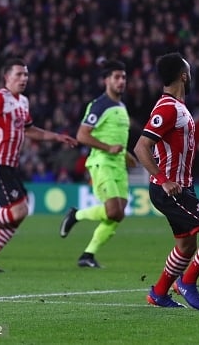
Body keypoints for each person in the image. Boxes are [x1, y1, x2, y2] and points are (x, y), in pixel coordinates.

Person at [0, 58, 77, 272]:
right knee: (17, 211)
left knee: (18, 214)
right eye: (19, 74)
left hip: (10, 166)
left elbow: (30, 130)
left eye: (26, 74)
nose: (24, 78)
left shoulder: (23, 102)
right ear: (7, 77)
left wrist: (57, 137)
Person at [134, 52, 199, 310]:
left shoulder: (178, 107)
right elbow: (141, 147)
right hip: (169, 190)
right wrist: (163, 179)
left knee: (187, 245)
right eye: (189, 70)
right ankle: (187, 282)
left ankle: (158, 293)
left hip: (182, 187)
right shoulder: (167, 108)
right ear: (183, 75)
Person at [59, 60, 137, 268]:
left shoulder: (121, 106)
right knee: (113, 211)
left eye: (123, 77)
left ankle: (88, 255)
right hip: (102, 162)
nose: (121, 81)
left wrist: (126, 154)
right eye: (117, 77)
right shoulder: (99, 105)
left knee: (118, 215)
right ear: (106, 81)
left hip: (119, 165)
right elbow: (82, 135)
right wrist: (106, 148)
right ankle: (76, 215)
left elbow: (115, 138)